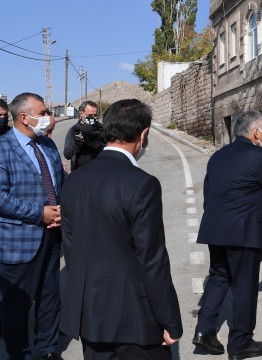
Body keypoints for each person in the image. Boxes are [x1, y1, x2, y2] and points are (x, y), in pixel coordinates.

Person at [59, 99, 182, 359]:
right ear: (144, 134)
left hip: (89, 316)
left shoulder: (74, 181)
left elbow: (70, 247)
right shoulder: (142, 184)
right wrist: (170, 320)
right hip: (134, 319)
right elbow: (151, 259)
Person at [192, 110, 262, 359]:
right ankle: (241, 342)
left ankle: (204, 332)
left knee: (219, 277)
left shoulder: (218, 156)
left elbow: (208, 193)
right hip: (243, 233)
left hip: (215, 230)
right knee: (244, 285)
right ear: (255, 132)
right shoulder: (260, 157)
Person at [0, 93, 66, 359]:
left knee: (50, 298)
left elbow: (61, 183)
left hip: (53, 237)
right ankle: (20, 353)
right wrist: (39, 214)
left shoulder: (47, 146)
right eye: (43, 111)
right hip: (19, 240)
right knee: (17, 305)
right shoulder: (2, 149)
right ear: (25, 117)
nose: (49, 117)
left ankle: (48, 349)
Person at [63, 100, 104, 171]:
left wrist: (98, 146)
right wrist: (77, 144)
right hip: (80, 173)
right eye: (90, 115)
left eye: (95, 115)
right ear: (81, 113)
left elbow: (112, 148)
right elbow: (67, 155)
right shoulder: (74, 130)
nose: (93, 118)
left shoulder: (101, 128)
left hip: (100, 170)